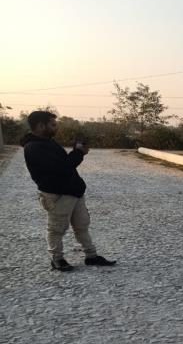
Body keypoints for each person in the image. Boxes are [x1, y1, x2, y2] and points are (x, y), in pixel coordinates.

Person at [21, 111, 116, 272]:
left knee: (82, 225)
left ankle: (91, 256)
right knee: (56, 229)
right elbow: (62, 168)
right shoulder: (33, 147)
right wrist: (78, 152)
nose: (56, 127)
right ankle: (57, 259)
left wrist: (76, 150)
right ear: (40, 126)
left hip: (73, 192)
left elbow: (64, 163)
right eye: (53, 125)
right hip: (57, 195)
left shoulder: (48, 142)